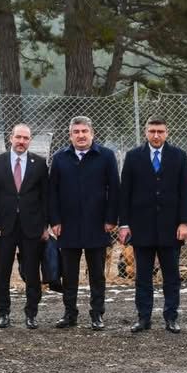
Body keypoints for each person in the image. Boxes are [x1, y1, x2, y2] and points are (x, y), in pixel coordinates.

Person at [118, 117, 187, 334]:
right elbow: (125, 193)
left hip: (171, 227)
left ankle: (171, 317)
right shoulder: (133, 157)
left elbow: (185, 192)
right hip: (142, 227)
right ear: (146, 132)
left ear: (167, 132)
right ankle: (143, 317)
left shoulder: (179, 156)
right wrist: (125, 224)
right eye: (152, 131)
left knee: (171, 275)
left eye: (160, 131)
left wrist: (184, 222)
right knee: (142, 276)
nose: (156, 135)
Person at [48, 116, 120, 331]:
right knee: (69, 274)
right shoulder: (60, 158)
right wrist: (55, 220)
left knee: (96, 273)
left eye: (84, 131)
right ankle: (70, 314)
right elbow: (52, 192)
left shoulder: (106, 156)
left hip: (97, 224)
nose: (80, 135)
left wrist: (110, 219)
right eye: (76, 132)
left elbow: (114, 189)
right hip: (67, 225)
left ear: (92, 133)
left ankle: (97, 314)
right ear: (70, 135)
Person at [0, 124, 49, 329]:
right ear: (11, 138)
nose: (21, 141)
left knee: (32, 272)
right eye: (18, 137)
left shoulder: (39, 163)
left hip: (32, 228)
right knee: (2, 271)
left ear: (30, 140)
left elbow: (45, 197)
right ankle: (3, 313)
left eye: (26, 138)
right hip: (4, 228)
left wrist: (45, 225)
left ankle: (31, 314)